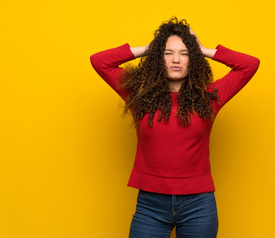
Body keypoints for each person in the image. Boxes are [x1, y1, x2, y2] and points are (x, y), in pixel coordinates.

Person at [90, 17, 260, 238]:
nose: (176, 60)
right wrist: (148, 48)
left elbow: (249, 65)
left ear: (193, 59)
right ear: (158, 58)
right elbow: (99, 61)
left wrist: (203, 49)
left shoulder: (210, 97)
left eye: (185, 53)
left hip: (199, 205)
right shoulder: (139, 95)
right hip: (150, 205)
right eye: (168, 53)